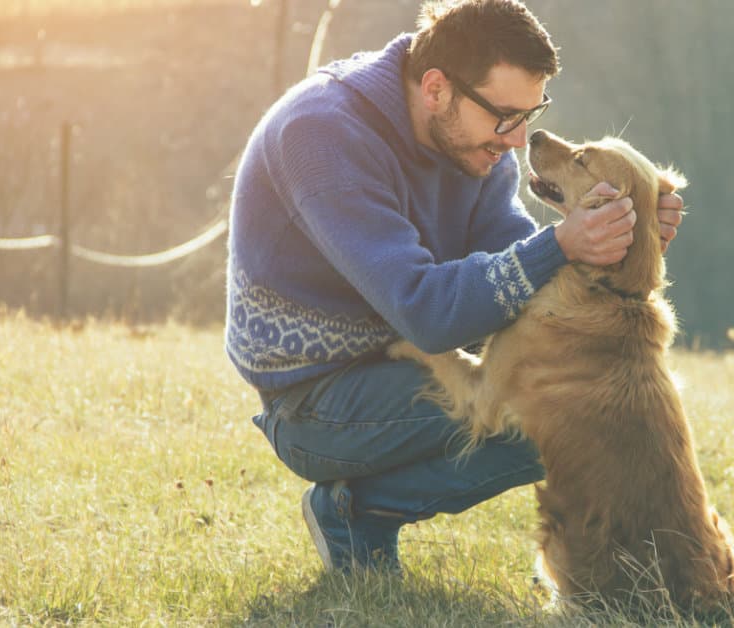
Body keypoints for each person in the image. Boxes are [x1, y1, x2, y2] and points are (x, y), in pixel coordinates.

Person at [225, 0, 684, 573]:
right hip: (314, 402)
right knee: (553, 413)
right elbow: (426, 311)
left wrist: (623, 241)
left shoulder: (474, 146)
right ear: (437, 88)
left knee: (580, 403)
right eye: (505, 116)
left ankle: (358, 511)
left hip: (402, 363)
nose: (518, 141)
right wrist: (562, 244)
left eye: (529, 114)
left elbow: (511, 268)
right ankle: (356, 512)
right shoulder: (322, 135)